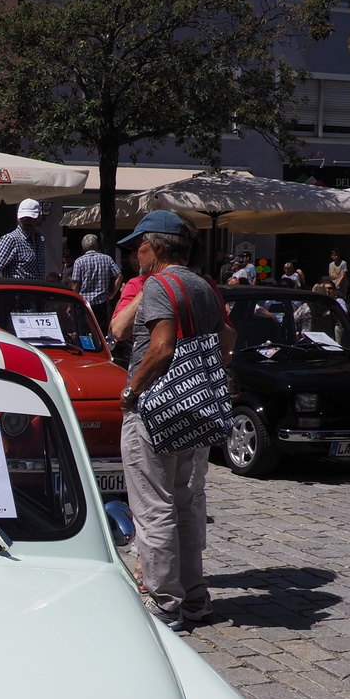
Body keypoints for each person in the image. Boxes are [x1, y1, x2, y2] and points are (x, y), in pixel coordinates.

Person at [115, 211, 236, 631]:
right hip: (195, 407)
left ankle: (165, 603)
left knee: (153, 507)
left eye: (140, 247)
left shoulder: (158, 285)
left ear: (159, 247)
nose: (136, 255)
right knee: (186, 505)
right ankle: (196, 598)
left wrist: (132, 391)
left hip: (156, 409)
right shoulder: (203, 285)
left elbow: (162, 347)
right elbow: (228, 339)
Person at [0, 199, 47, 281]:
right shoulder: (11, 239)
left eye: (30, 218)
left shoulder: (40, 239)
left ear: (39, 217)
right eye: (23, 218)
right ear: (17, 217)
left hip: (37, 292)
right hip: (17, 293)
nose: (26, 222)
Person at [70, 232, 121, 330]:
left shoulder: (79, 262)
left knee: (84, 331)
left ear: (83, 247)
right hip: (101, 302)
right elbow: (119, 276)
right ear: (97, 245)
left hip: (83, 303)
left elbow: (76, 284)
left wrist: (72, 302)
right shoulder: (107, 259)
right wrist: (112, 294)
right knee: (100, 331)